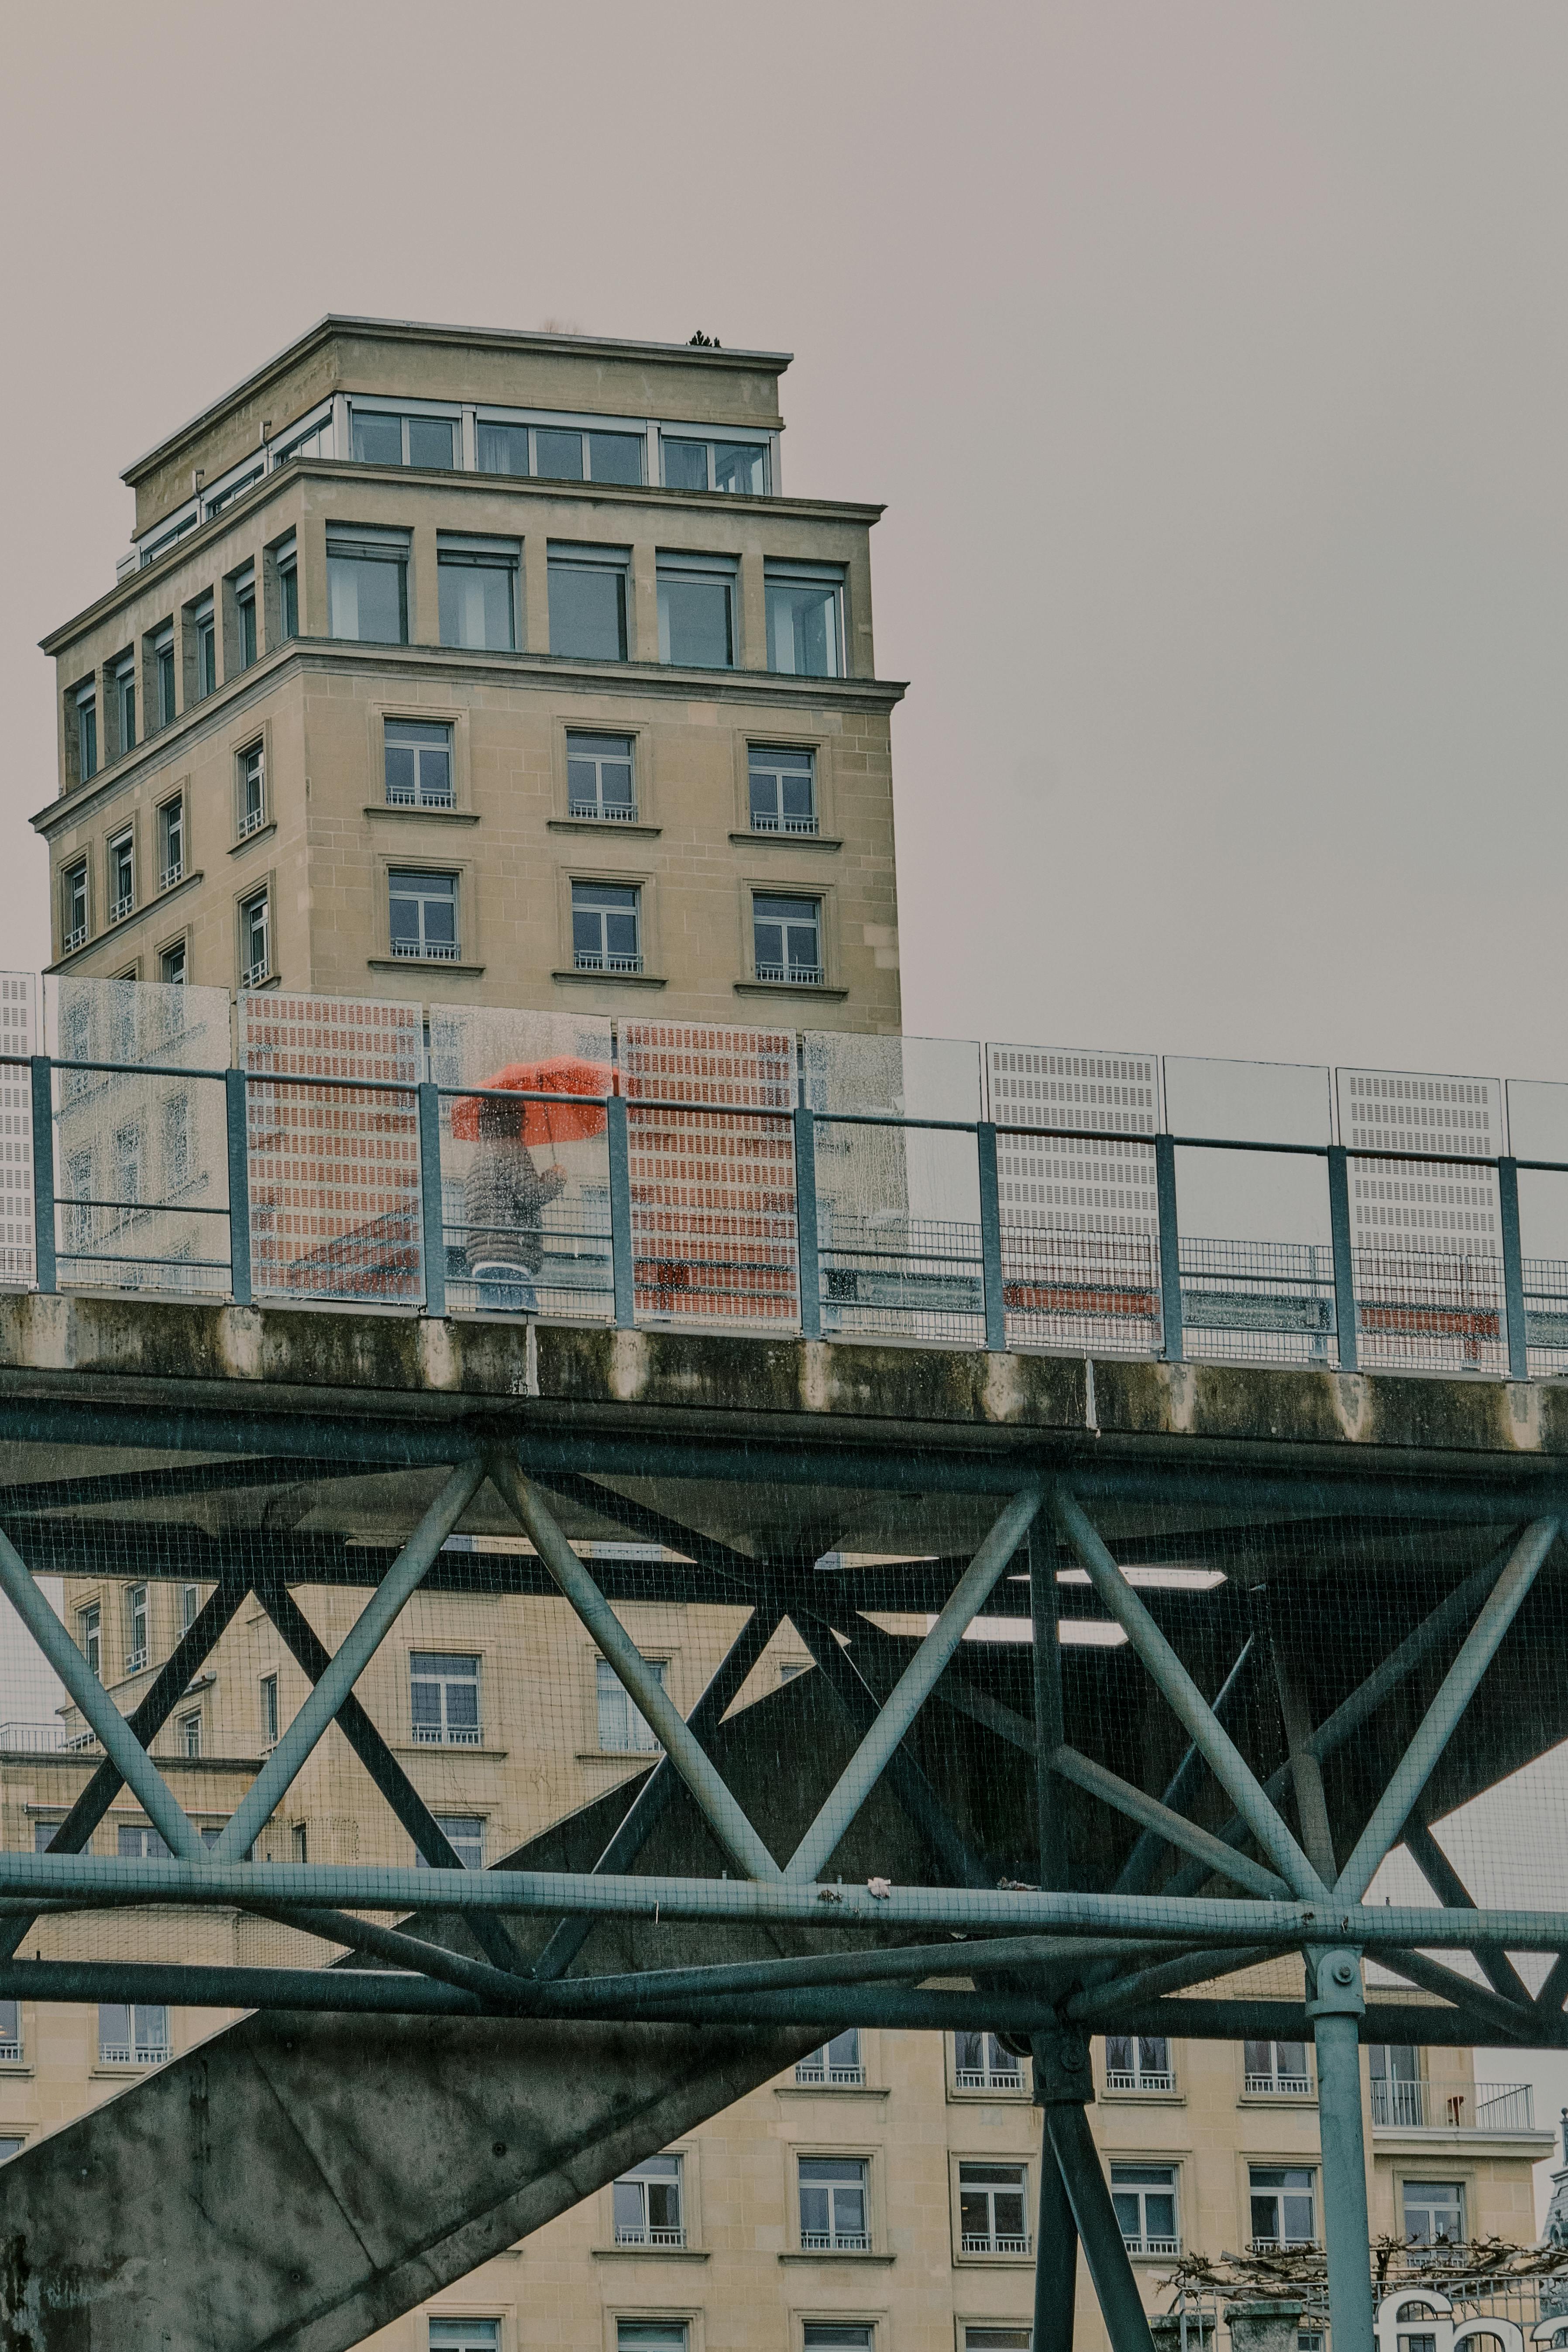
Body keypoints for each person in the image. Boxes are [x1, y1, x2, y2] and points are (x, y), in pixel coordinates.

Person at [464, 1094, 566, 1314]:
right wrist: (555, 1178)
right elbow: (531, 1195)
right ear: (514, 1120)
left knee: (493, 1333)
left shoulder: (481, 1156)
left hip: (485, 1261)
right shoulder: (511, 1148)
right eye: (524, 1118)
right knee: (523, 1334)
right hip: (510, 1259)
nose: (525, 1124)